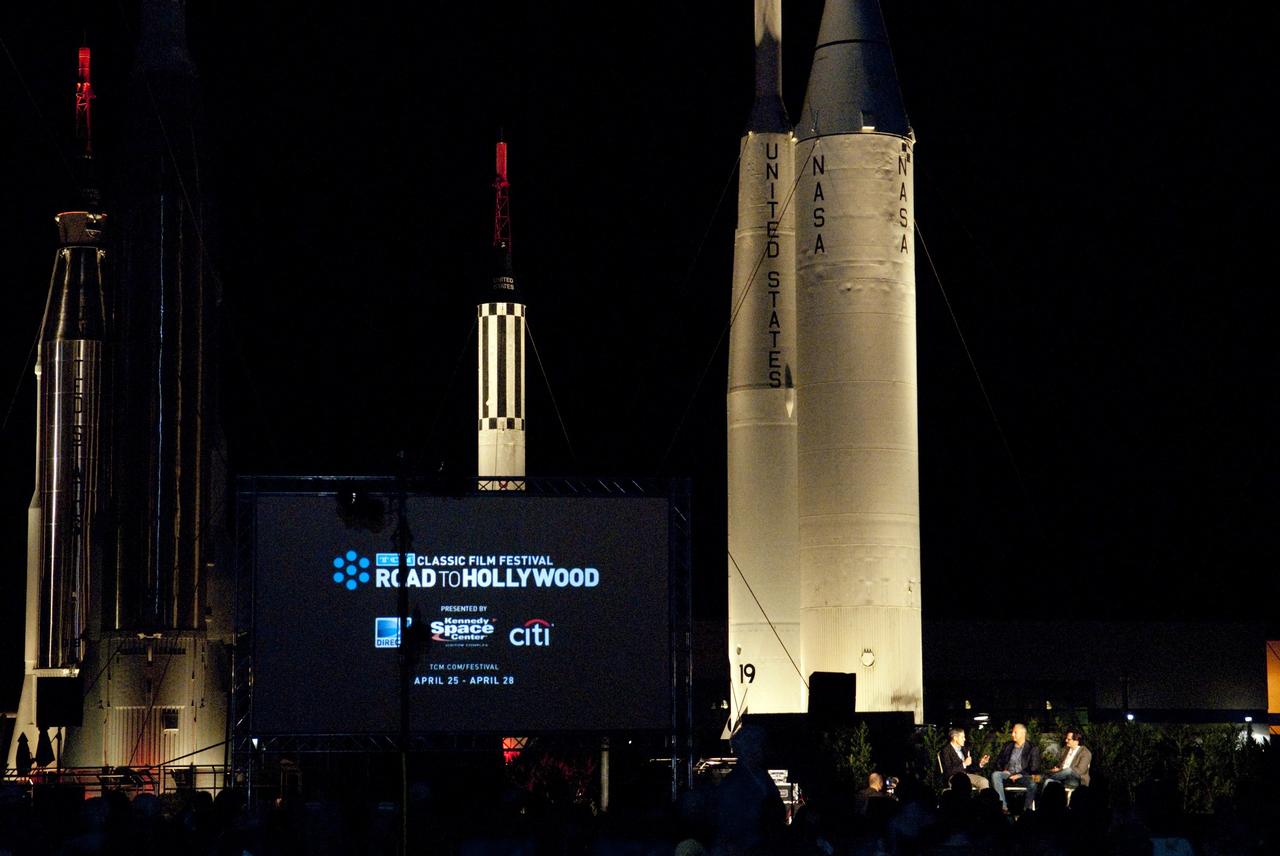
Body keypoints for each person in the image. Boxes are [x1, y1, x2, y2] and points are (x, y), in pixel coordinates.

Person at [1026, 727, 1091, 809]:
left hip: (1076, 780)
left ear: (1076, 741)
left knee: (1069, 770)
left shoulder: (1085, 752)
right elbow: (1061, 766)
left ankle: (1042, 777)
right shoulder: (1065, 750)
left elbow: (1080, 771)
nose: (1066, 741)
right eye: (1066, 738)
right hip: (1062, 777)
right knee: (1048, 781)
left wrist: (1062, 770)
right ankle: (1042, 808)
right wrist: (1058, 769)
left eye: (1069, 739)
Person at [990, 722, 1040, 813]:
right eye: (1012, 732)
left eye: (1015, 732)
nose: (1012, 734)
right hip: (1008, 774)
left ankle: (1027, 810)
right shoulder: (1008, 746)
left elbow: (1034, 768)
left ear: (1023, 734)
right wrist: (1004, 770)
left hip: (1023, 776)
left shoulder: (1032, 748)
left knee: (1034, 783)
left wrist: (1020, 775)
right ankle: (1003, 807)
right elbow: (999, 761)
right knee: (995, 775)